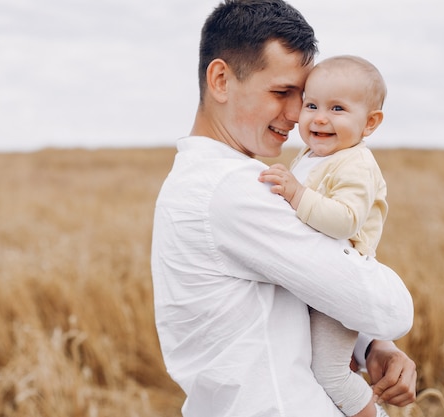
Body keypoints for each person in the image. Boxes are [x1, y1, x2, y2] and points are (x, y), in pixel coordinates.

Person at [150, 1, 417, 416]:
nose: (296, 115)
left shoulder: (210, 180)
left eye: (302, 96)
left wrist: (368, 346)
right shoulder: (231, 190)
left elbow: (299, 283)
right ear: (221, 79)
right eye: (281, 93)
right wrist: (379, 329)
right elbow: (391, 308)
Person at [258, 55, 391, 417]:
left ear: (370, 123)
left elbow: (346, 219)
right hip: (318, 280)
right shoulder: (313, 154)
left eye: (337, 108)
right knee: (316, 363)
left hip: (341, 283)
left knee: (329, 372)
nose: (319, 117)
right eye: (311, 104)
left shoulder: (356, 163)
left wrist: (296, 194)